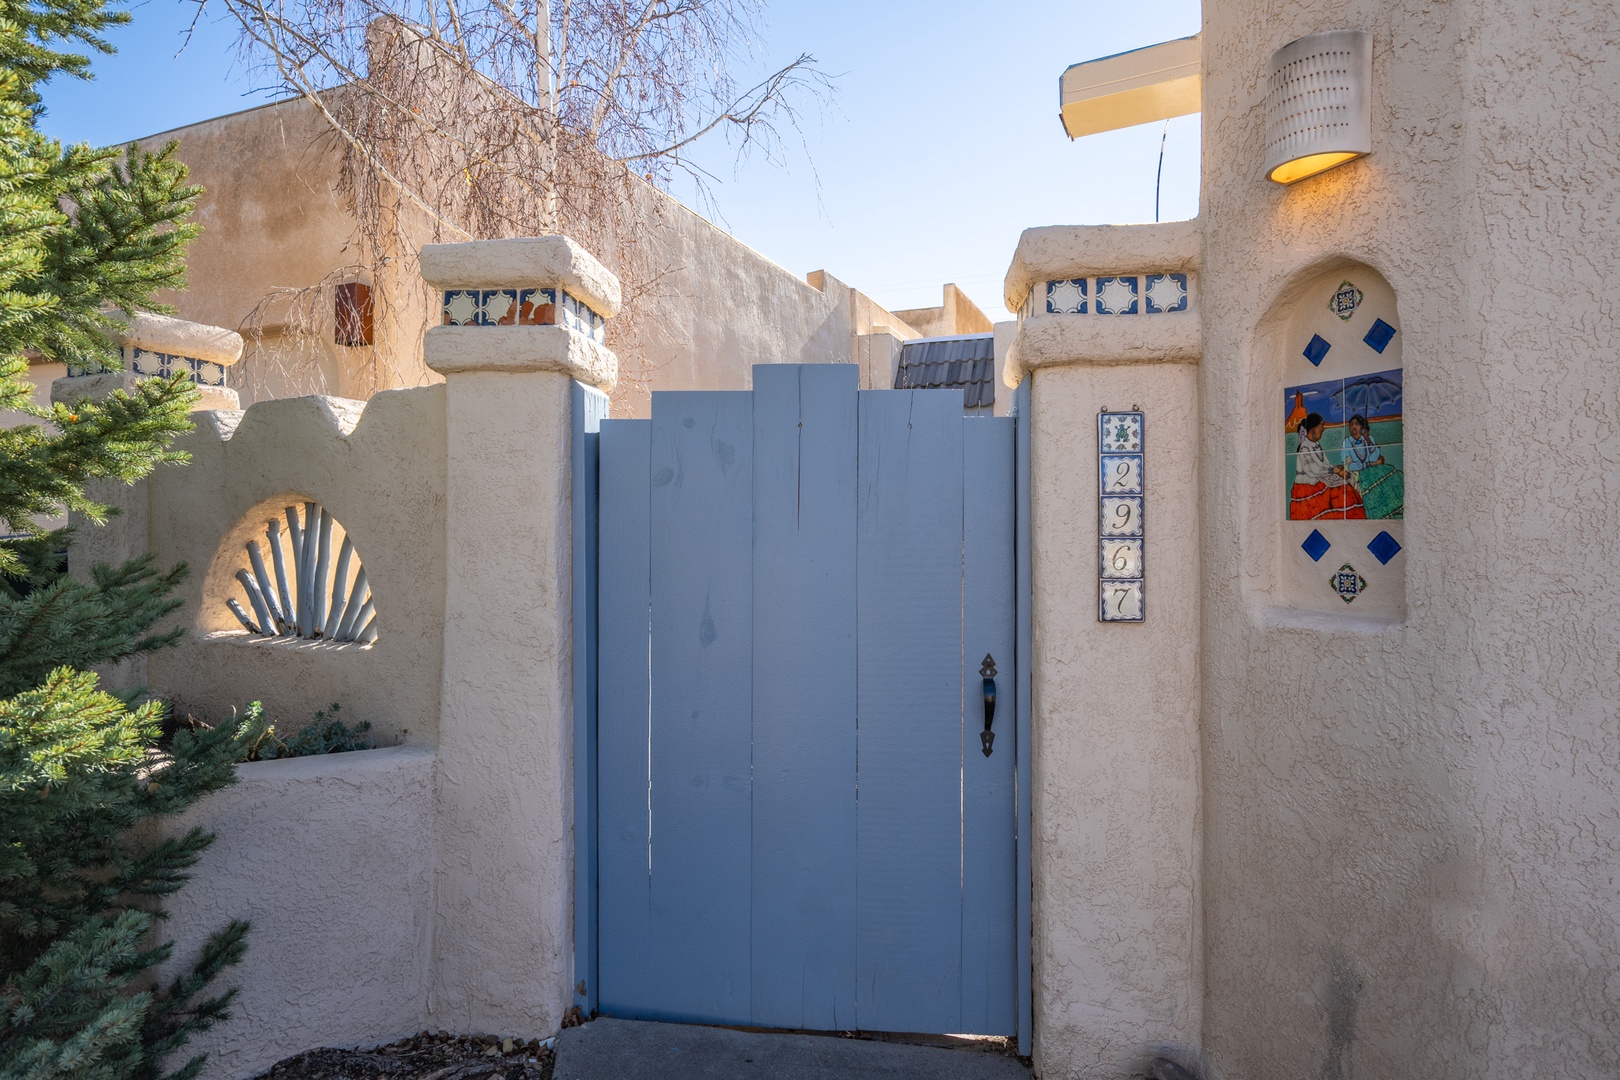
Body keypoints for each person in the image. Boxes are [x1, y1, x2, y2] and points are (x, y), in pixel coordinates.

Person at [1290, 413, 1367, 519]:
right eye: (1321, 425)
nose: (1323, 428)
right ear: (1313, 429)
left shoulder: (1316, 445)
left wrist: (1338, 470)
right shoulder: (1304, 448)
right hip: (1309, 485)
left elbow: (1326, 464)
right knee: (1340, 492)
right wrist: (1333, 471)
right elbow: (1313, 471)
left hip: (1321, 478)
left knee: (1346, 483)